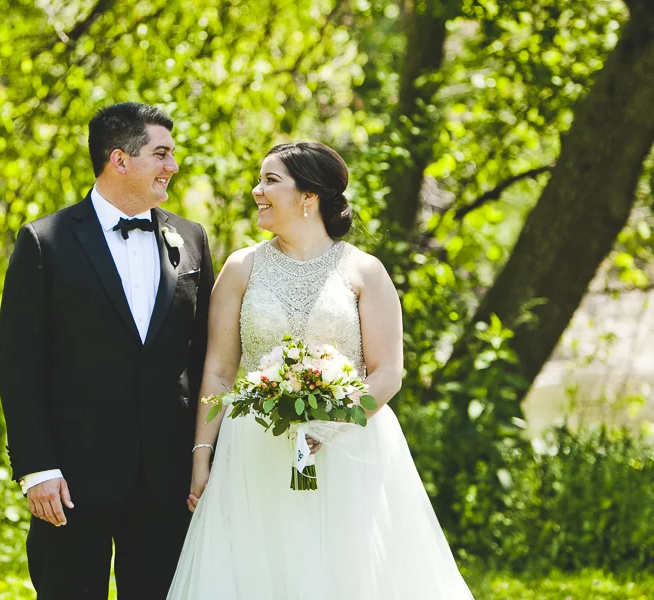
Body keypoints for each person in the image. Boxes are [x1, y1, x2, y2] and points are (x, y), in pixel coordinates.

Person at [167, 142, 474, 599]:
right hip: (254, 450)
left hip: (349, 448)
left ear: (308, 196)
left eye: (271, 181)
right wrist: (201, 457)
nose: (257, 191)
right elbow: (219, 372)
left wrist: (330, 423)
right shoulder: (241, 267)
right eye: (259, 180)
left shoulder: (364, 271)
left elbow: (387, 372)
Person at [0, 102, 214, 599]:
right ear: (119, 159)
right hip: (72, 477)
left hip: (166, 479)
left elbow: (204, 356)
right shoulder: (44, 241)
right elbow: (19, 365)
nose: (173, 165)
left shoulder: (191, 239)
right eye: (161, 154)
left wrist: (204, 457)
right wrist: (37, 467)